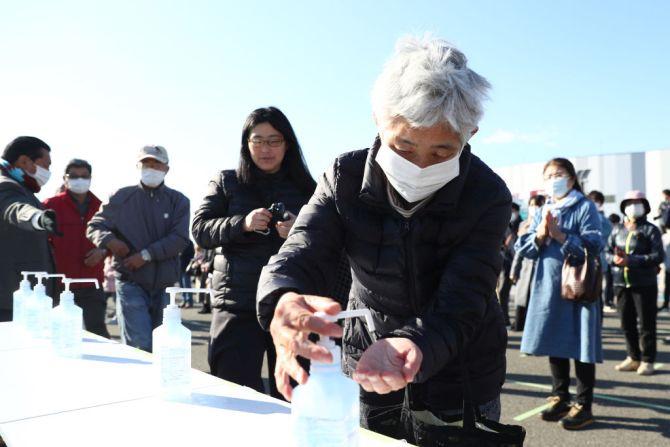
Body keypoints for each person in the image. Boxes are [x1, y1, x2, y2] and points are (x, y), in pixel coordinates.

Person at [256, 36, 510, 443]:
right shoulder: (345, 176)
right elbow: (302, 247)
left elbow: (468, 293)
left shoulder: (487, 193)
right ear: (379, 116)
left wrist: (416, 341)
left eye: (442, 151)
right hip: (368, 362)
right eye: (404, 145)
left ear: (471, 133)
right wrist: (282, 298)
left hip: (461, 369)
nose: (420, 164)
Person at [192, 107, 316, 398]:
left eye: (274, 140)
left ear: (288, 144)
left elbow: (329, 243)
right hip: (236, 303)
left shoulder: (308, 188)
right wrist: (242, 223)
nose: (265, 148)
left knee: (295, 397)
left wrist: (299, 229)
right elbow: (199, 229)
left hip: (290, 306)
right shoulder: (226, 181)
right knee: (232, 395)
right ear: (246, 144)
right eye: (257, 140)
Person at [515, 158, 602, 430]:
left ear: (572, 179)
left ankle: (584, 404)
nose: (555, 179)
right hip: (548, 286)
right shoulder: (543, 209)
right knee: (555, 340)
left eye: (560, 174)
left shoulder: (585, 207)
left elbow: (595, 245)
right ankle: (560, 396)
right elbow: (523, 248)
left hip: (578, 287)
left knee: (582, 345)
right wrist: (540, 235)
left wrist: (561, 236)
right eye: (549, 175)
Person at [87, 145, 190, 352]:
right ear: (138, 167)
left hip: (164, 285)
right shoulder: (120, 197)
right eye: (146, 164)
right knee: (139, 346)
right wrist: (110, 241)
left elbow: (179, 239)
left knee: (164, 347)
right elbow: (94, 226)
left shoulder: (179, 201)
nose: (151, 168)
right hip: (130, 280)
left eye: (156, 164)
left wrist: (145, 255)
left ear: (166, 169)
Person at [43, 159, 109, 338]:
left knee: (98, 333)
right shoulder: (50, 205)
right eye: (74, 176)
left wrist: (103, 251)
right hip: (59, 285)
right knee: (59, 334)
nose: (79, 180)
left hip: (91, 284)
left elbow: (115, 238)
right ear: (64, 178)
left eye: (84, 176)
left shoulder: (101, 207)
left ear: (90, 178)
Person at [606, 191, 664, 376]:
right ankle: (633, 357)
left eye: (637, 202)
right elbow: (606, 252)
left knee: (647, 324)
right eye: (630, 202)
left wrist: (631, 260)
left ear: (644, 206)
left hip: (644, 284)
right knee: (626, 323)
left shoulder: (650, 230)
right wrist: (613, 258)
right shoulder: (617, 229)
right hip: (620, 283)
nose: (634, 206)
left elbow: (657, 256)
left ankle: (648, 360)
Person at [0, 137, 57, 322]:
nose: (48, 172)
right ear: (24, 161)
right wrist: (36, 218)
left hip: (20, 298)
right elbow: (14, 209)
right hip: (9, 299)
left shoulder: (23, 189)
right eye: (46, 165)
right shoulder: (6, 185)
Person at [510, 195, 545, 331]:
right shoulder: (523, 224)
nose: (534, 208)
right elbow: (519, 250)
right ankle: (520, 326)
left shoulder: (545, 222)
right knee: (522, 299)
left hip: (540, 267)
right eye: (531, 205)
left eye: (537, 205)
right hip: (525, 267)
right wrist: (515, 270)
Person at [587, 190, 613, 314]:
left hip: (598, 260)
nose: (594, 203)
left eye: (597, 201)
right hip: (589, 260)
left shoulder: (603, 221)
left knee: (596, 291)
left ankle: (598, 317)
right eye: (592, 200)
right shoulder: (587, 216)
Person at [498, 202, 522, 326]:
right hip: (505, 260)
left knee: (504, 292)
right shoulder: (503, 224)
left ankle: (504, 320)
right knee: (502, 292)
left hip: (509, 261)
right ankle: (503, 319)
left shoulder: (517, 225)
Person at [178, 239, 196, 308]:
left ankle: (189, 301)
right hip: (179, 267)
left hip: (186, 267)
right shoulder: (178, 241)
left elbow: (192, 254)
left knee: (187, 285)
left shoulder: (189, 242)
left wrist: (181, 253)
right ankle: (184, 300)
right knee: (181, 285)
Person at [660, 227, 670, 312]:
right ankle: (666, 304)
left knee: (667, 286)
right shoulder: (664, 237)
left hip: (668, 265)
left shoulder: (665, 237)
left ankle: (666, 304)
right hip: (668, 265)